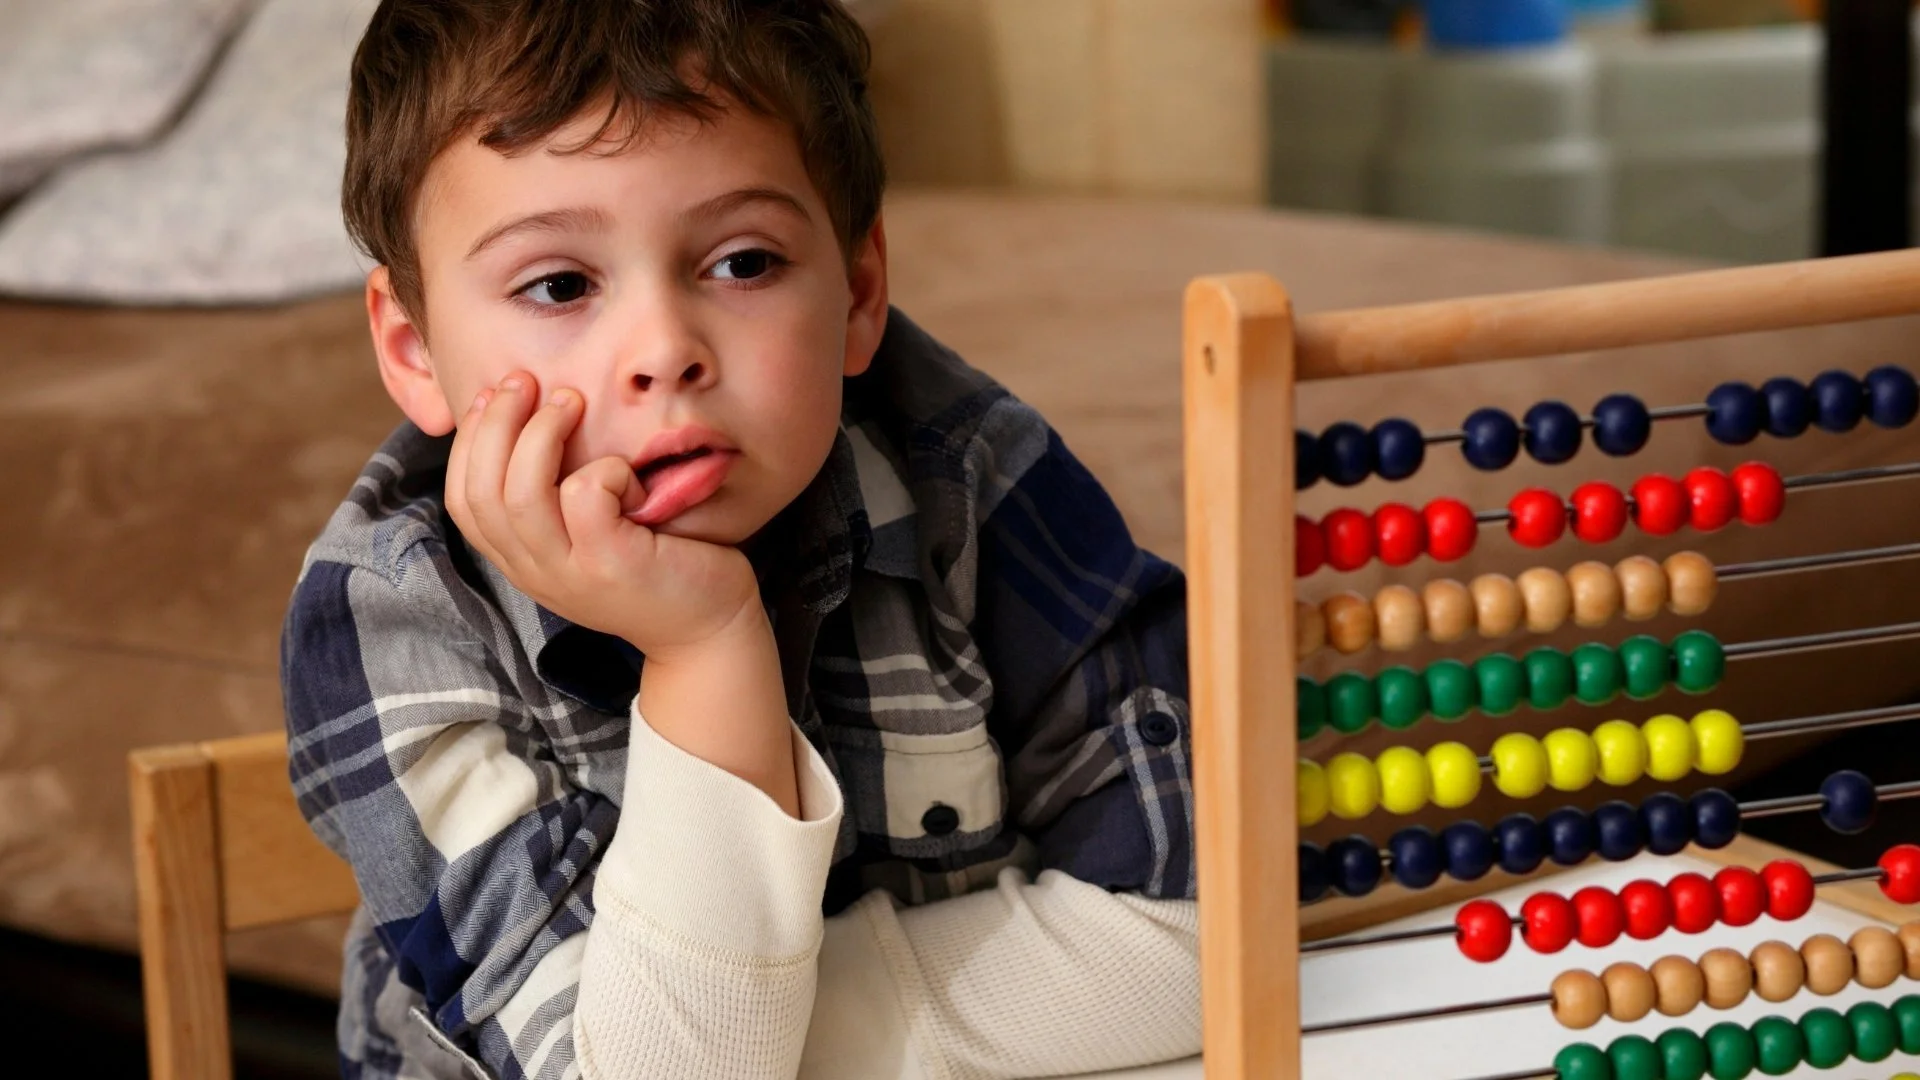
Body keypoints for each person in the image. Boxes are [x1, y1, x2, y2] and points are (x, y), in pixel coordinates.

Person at [280, 1, 1200, 1076]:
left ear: (858, 291)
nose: (665, 349)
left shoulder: (968, 475)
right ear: (414, 350)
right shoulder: (388, 620)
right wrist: (705, 647)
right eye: (560, 285)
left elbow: (1210, 924)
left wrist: (785, 1037)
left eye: (744, 264)